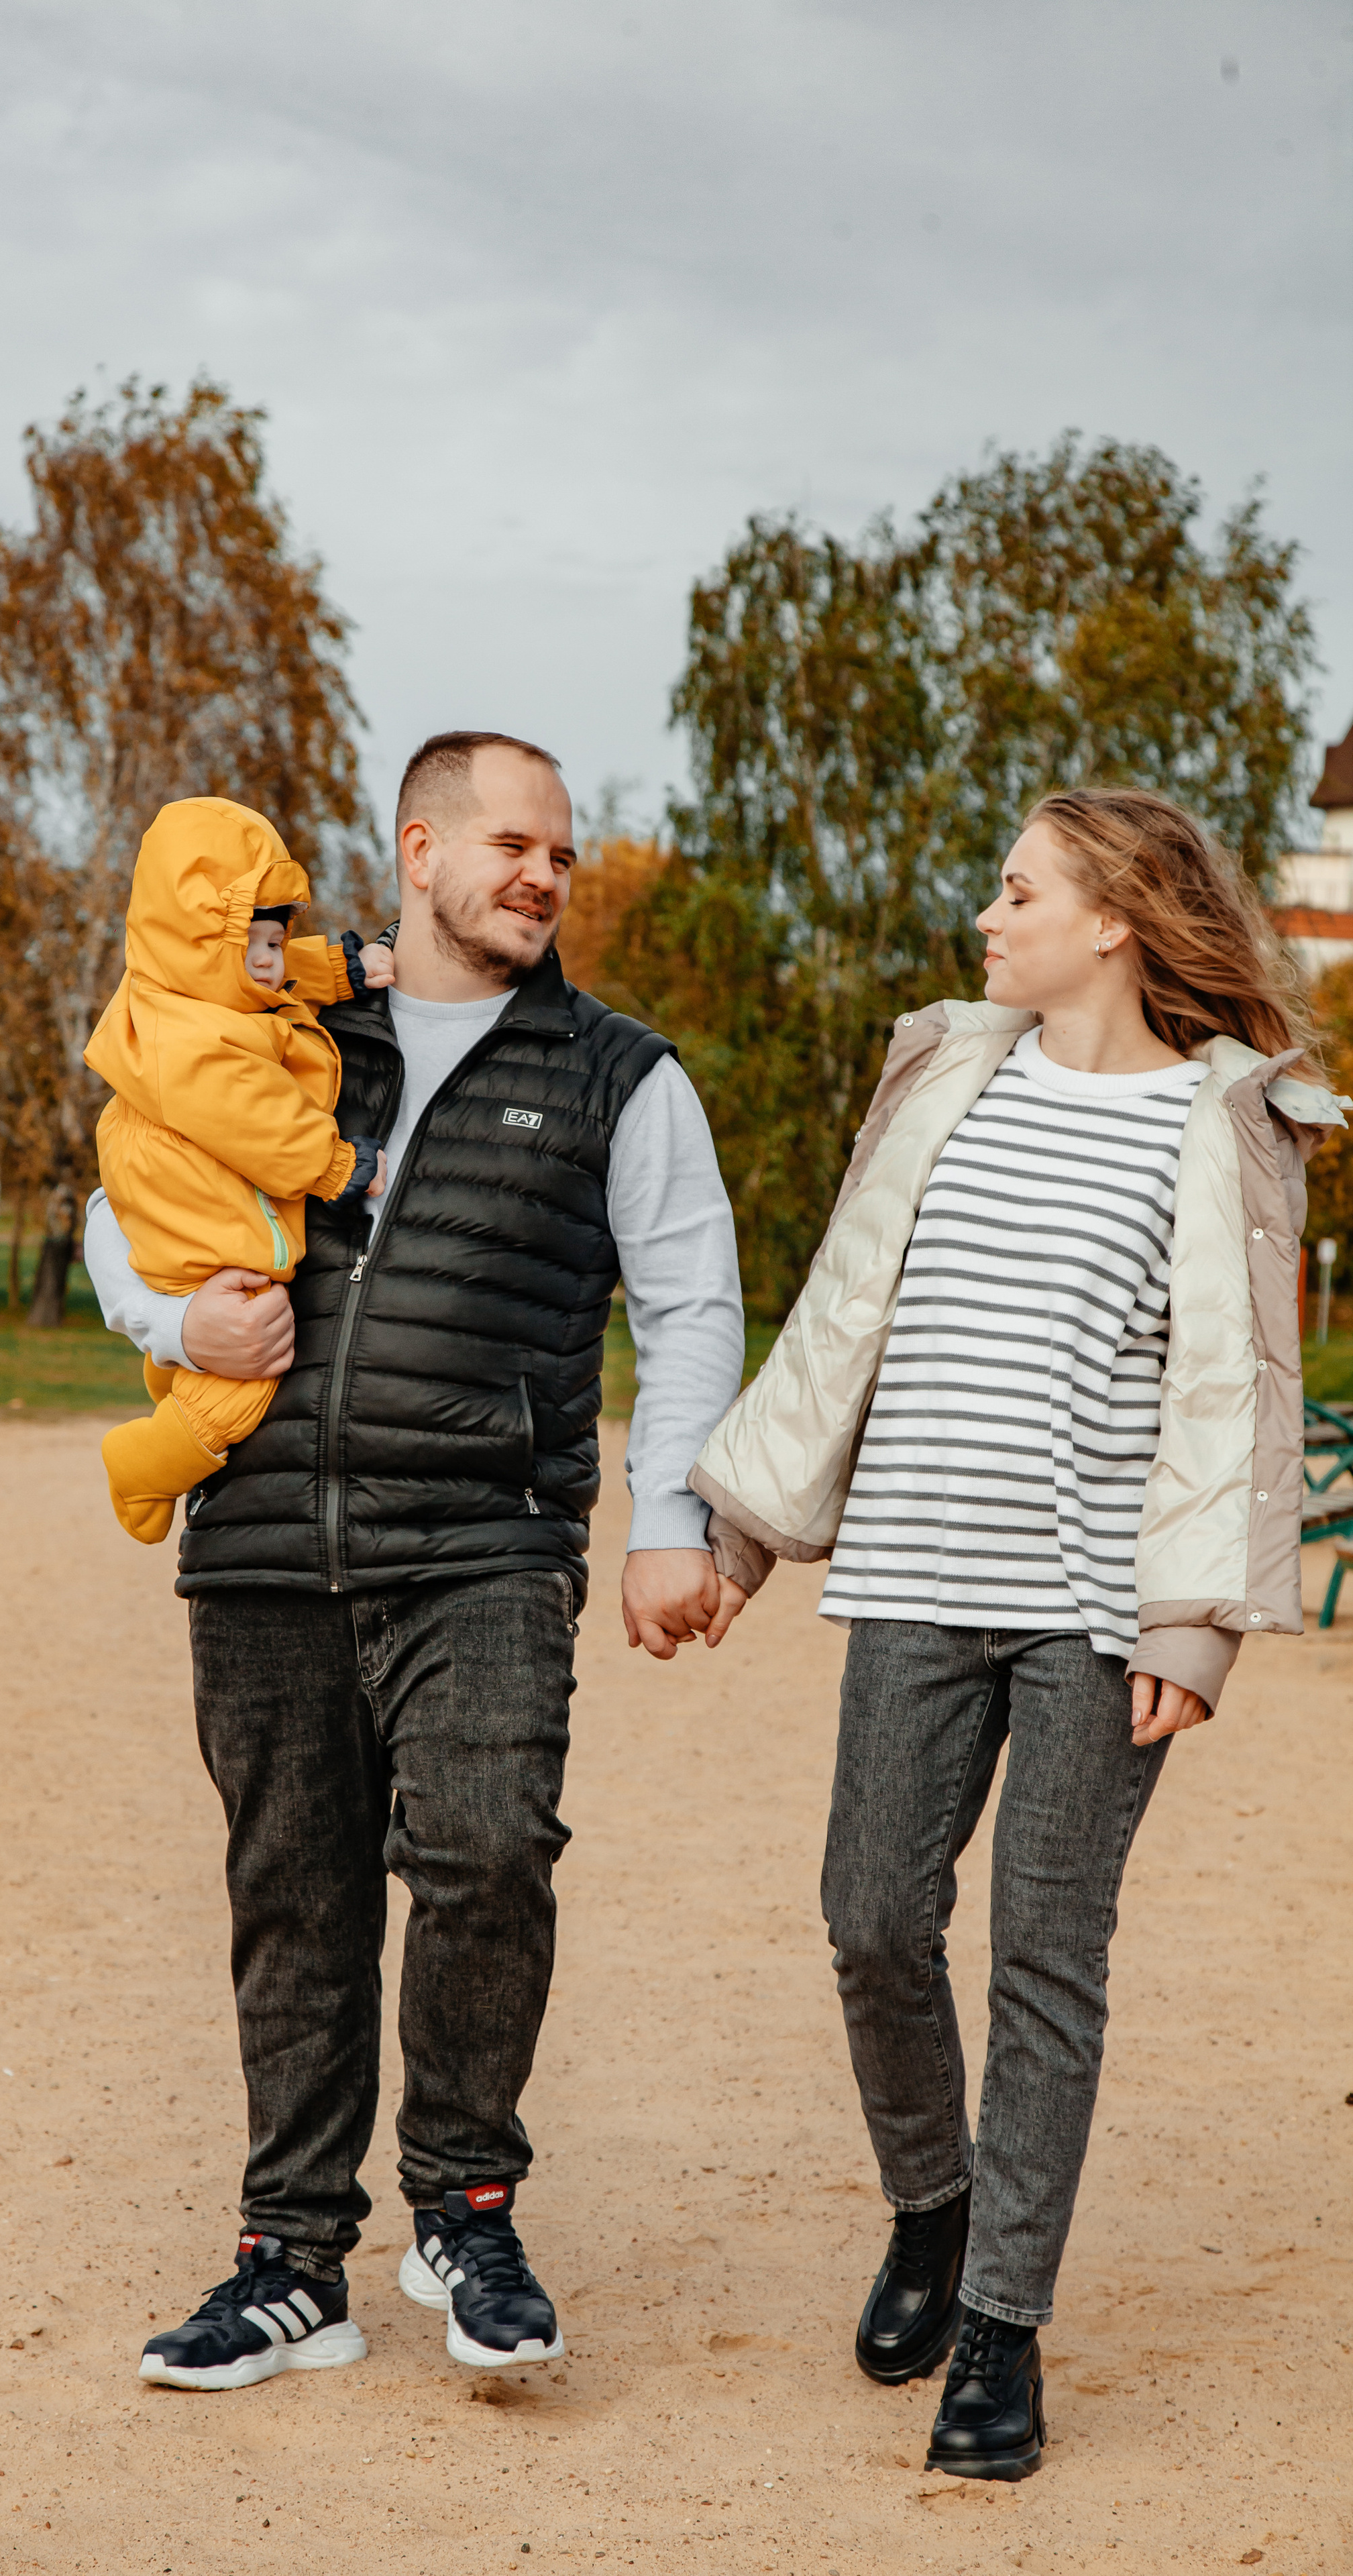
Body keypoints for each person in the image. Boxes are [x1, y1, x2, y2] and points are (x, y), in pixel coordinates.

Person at [689, 787, 1345, 2481]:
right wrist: (745, 1534)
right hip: (910, 1574)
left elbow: (1228, 1394)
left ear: (1113, 914)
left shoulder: (1216, 1122)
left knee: (1045, 1961)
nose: (986, 917)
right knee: (866, 1912)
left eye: (1016, 887)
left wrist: (1194, 1623)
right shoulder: (945, 1072)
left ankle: (996, 2325)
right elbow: (845, 1312)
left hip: (1087, 1609)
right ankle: (931, 2202)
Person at [84, 730, 749, 2391]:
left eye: (561, 854)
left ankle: (462, 2204)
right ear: (420, 846)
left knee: (485, 1846)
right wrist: (175, 1318)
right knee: (289, 1897)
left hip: (484, 1540)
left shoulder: (618, 1071)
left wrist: (673, 1520)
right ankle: (288, 2258)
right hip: (260, 1543)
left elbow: (687, 1307)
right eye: (511, 843)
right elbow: (125, 1191)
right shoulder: (282, 1031)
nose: (541, 874)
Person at [84, 795, 396, 1543]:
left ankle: (169, 1381)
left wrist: (342, 967)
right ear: (198, 944)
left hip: (178, 1183)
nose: (270, 960)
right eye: (251, 945)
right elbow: (259, 1123)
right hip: (192, 1197)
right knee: (241, 1386)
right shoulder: (193, 1047)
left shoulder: (198, 986)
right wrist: (337, 1167)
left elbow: (277, 972)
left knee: (203, 1342)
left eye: (276, 938)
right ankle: (143, 1464)